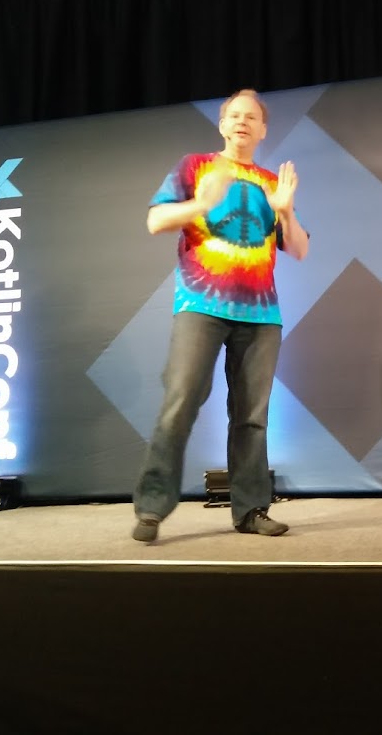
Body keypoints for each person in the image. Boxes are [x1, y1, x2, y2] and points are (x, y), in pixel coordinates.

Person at [132, 89, 309, 542]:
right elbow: (155, 221)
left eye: (252, 117)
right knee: (180, 402)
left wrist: (286, 213)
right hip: (201, 306)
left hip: (261, 314)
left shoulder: (271, 183)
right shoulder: (194, 167)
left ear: (263, 129)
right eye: (235, 115)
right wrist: (201, 205)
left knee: (252, 417)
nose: (242, 121)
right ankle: (151, 508)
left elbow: (299, 249)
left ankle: (251, 510)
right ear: (222, 124)